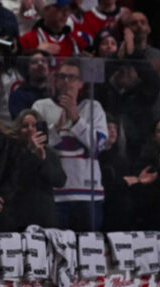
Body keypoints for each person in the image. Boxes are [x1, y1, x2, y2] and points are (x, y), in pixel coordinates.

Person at [31, 58, 107, 231]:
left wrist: (75, 118)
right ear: (56, 81)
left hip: (88, 194)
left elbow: (98, 146)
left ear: (81, 83)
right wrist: (57, 127)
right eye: (62, 77)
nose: (66, 82)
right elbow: (36, 147)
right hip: (54, 195)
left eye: (72, 77)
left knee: (88, 251)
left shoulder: (93, 108)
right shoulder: (41, 107)